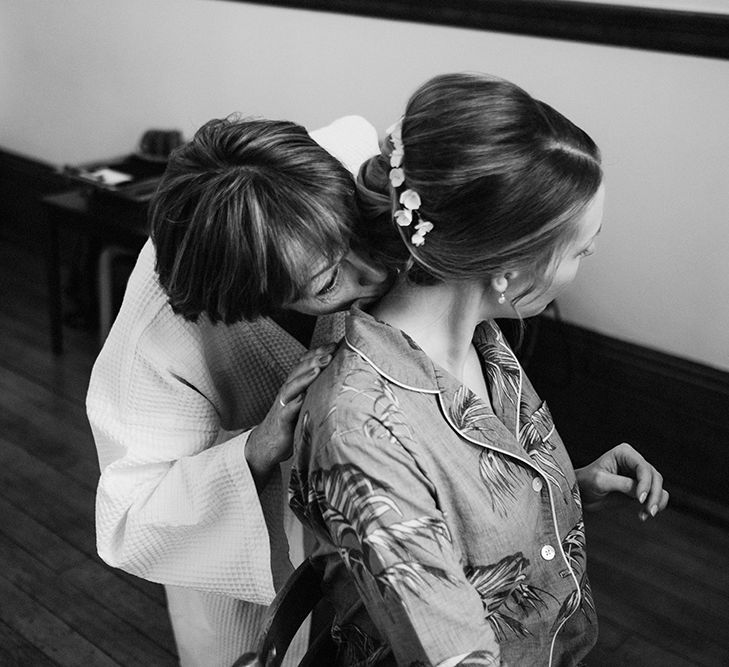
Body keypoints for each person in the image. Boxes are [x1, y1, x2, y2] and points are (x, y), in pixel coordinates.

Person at [289, 72, 669, 666]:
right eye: (580, 251)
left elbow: (472, 493)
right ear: (507, 269)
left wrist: (566, 485)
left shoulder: (483, 339)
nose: (586, 262)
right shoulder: (360, 431)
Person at [86, 114, 390, 666]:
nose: (373, 276)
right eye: (327, 282)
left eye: (357, 241)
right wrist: (256, 448)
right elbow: (130, 514)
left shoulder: (343, 169)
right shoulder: (162, 332)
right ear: (247, 299)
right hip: (248, 542)